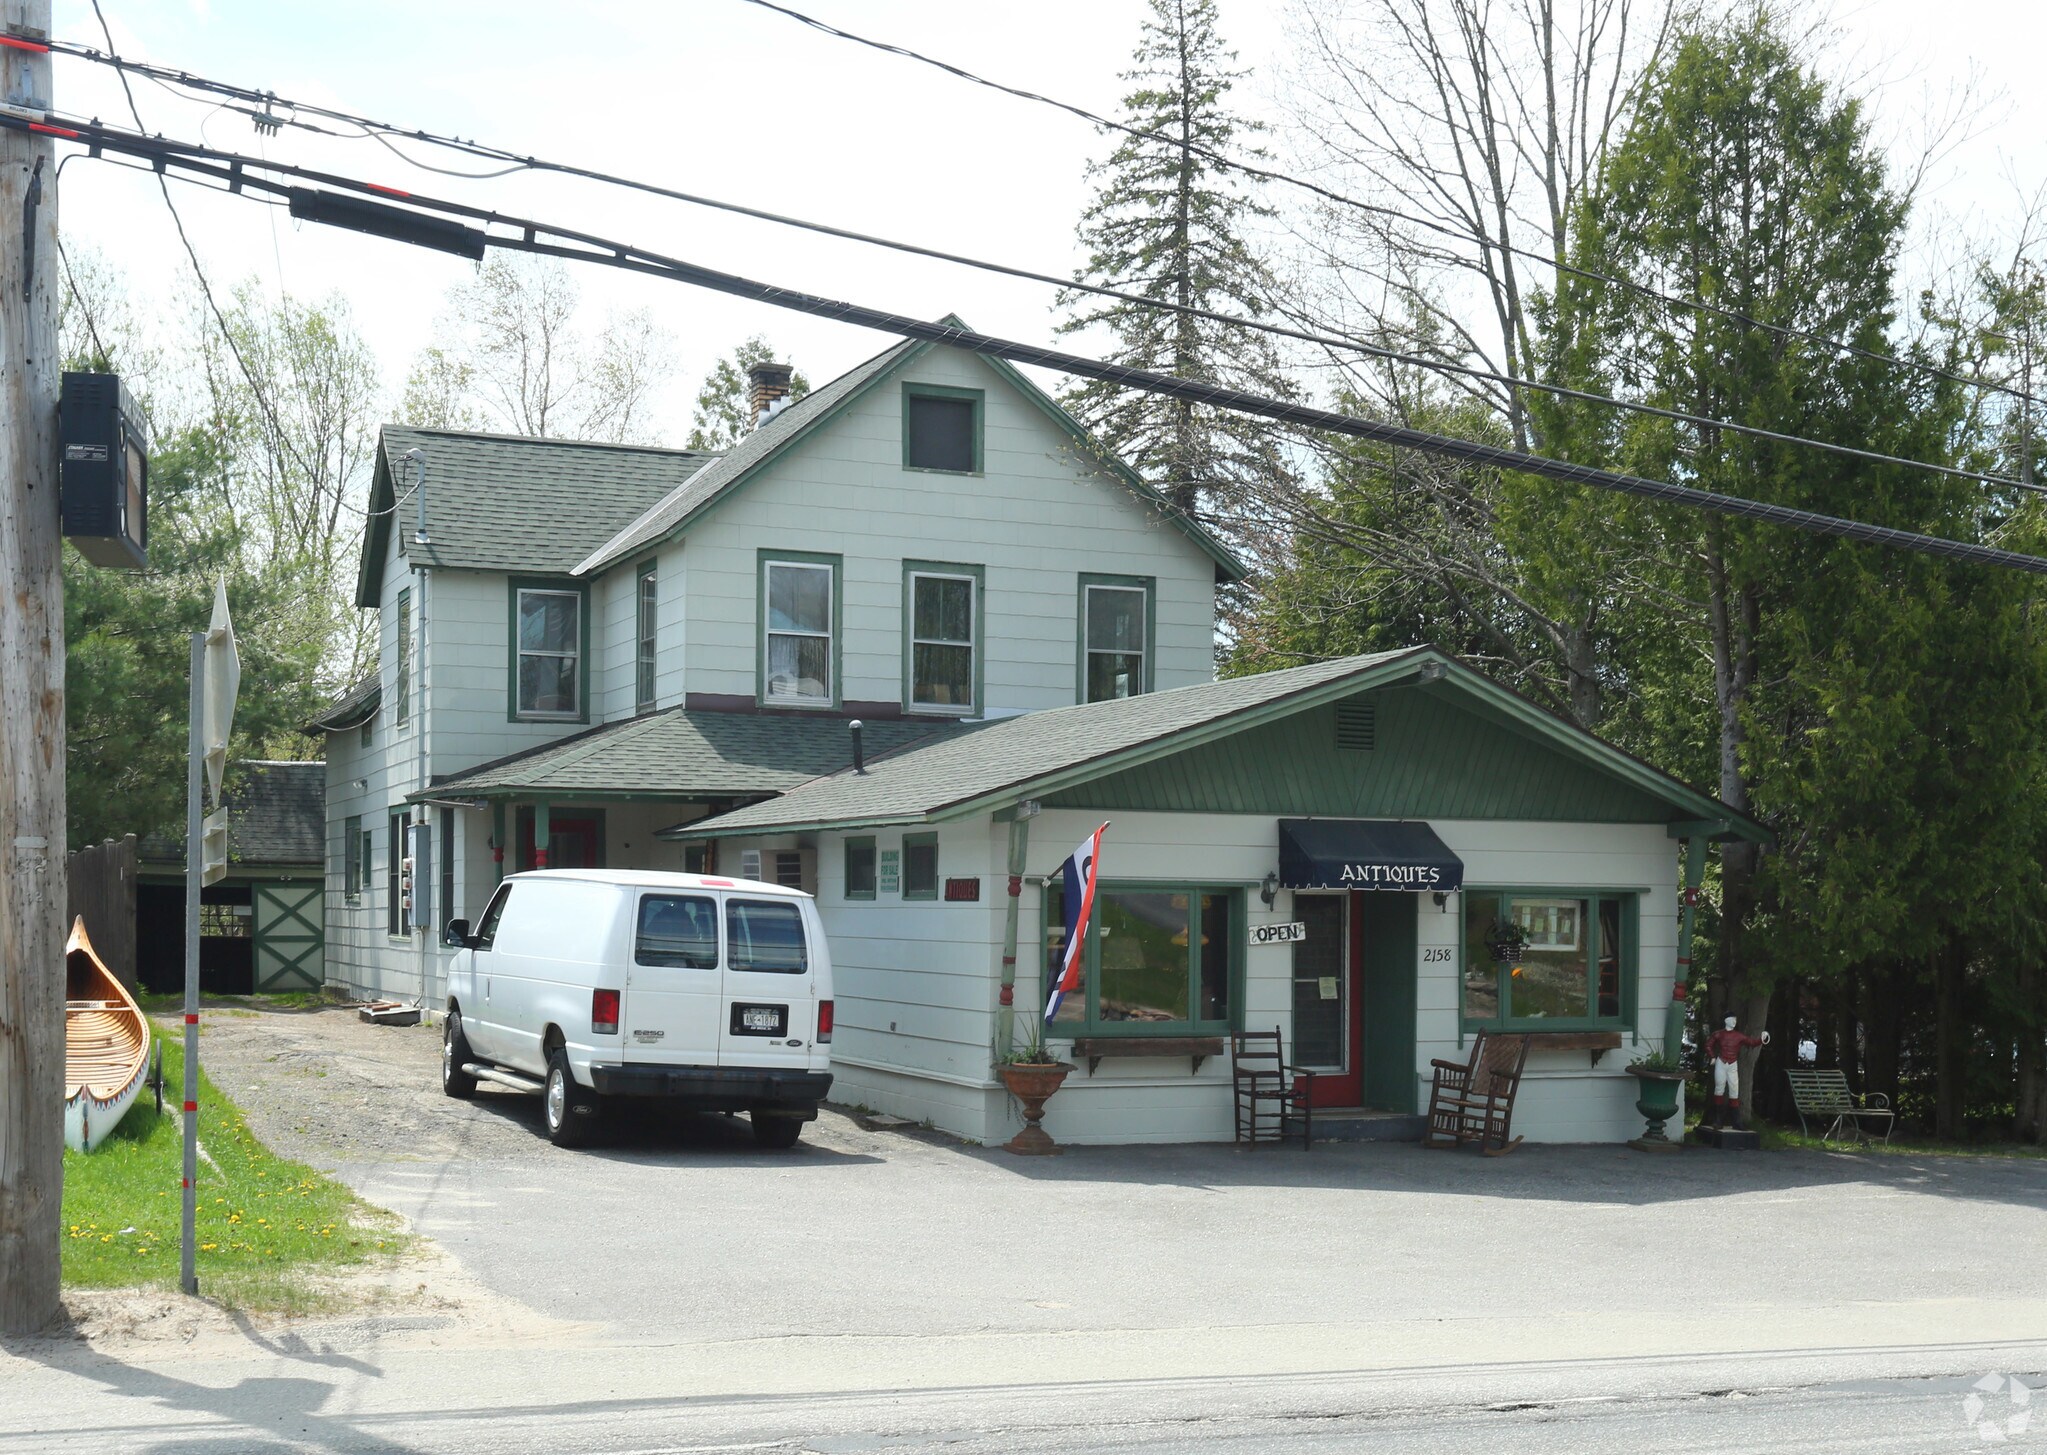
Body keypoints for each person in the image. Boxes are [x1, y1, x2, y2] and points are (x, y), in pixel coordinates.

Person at [1705, 1014, 1769, 1129]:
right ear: (1726, 1020)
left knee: (1734, 1090)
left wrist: (1761, 1039)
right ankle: (1718, 1120)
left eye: (1735, 1019)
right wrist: (1712, 1057)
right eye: (1732, 1019)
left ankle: (1736, 1121)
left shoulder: (1738, 1036)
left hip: (1732, 1064)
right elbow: (1708, 1045)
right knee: (1719, 1088)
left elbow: (1752, 1042)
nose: (1734, 1021)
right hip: (1721, 1062)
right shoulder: (1718, 1034)